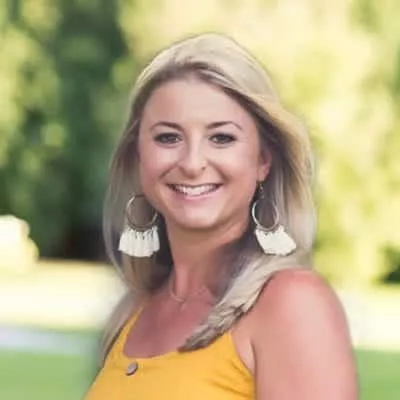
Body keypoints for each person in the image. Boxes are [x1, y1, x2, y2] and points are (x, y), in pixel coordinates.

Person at [84, 33, 358, 399]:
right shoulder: (133, 311)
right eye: (168, 138)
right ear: (138, 158)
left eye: (222, 138)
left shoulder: (292, 304)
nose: (192, 163)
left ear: (263, 160)